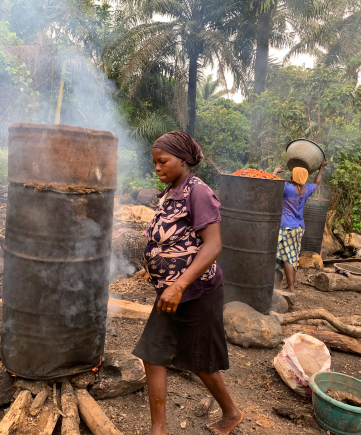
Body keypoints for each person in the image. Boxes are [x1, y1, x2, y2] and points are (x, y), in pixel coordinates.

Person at [133, 131, 243, 435]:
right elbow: (171, 240)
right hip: (168, 294)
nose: (157, 167)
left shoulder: (198, 192)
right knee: (153, 355)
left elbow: (213, 245)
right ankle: (159, 430)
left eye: (163, 161)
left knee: (201, 362)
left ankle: (231, 413)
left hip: (197, 292)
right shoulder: (170, 191)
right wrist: (154, 268)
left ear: (183, 160)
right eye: (154, 162)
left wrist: (178, 284)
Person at [272, 158, 328, 292]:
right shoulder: (307, 189)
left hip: (287, 228)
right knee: (292, 256)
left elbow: (271, 182)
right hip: (298, 228)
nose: (290, 175)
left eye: (292, 173)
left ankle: (291, 288)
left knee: (286, 258)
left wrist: (276, 171)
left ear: (294, 176)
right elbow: (316, 182)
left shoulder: (288, 189)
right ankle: (290, 285)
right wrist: (321, 167)